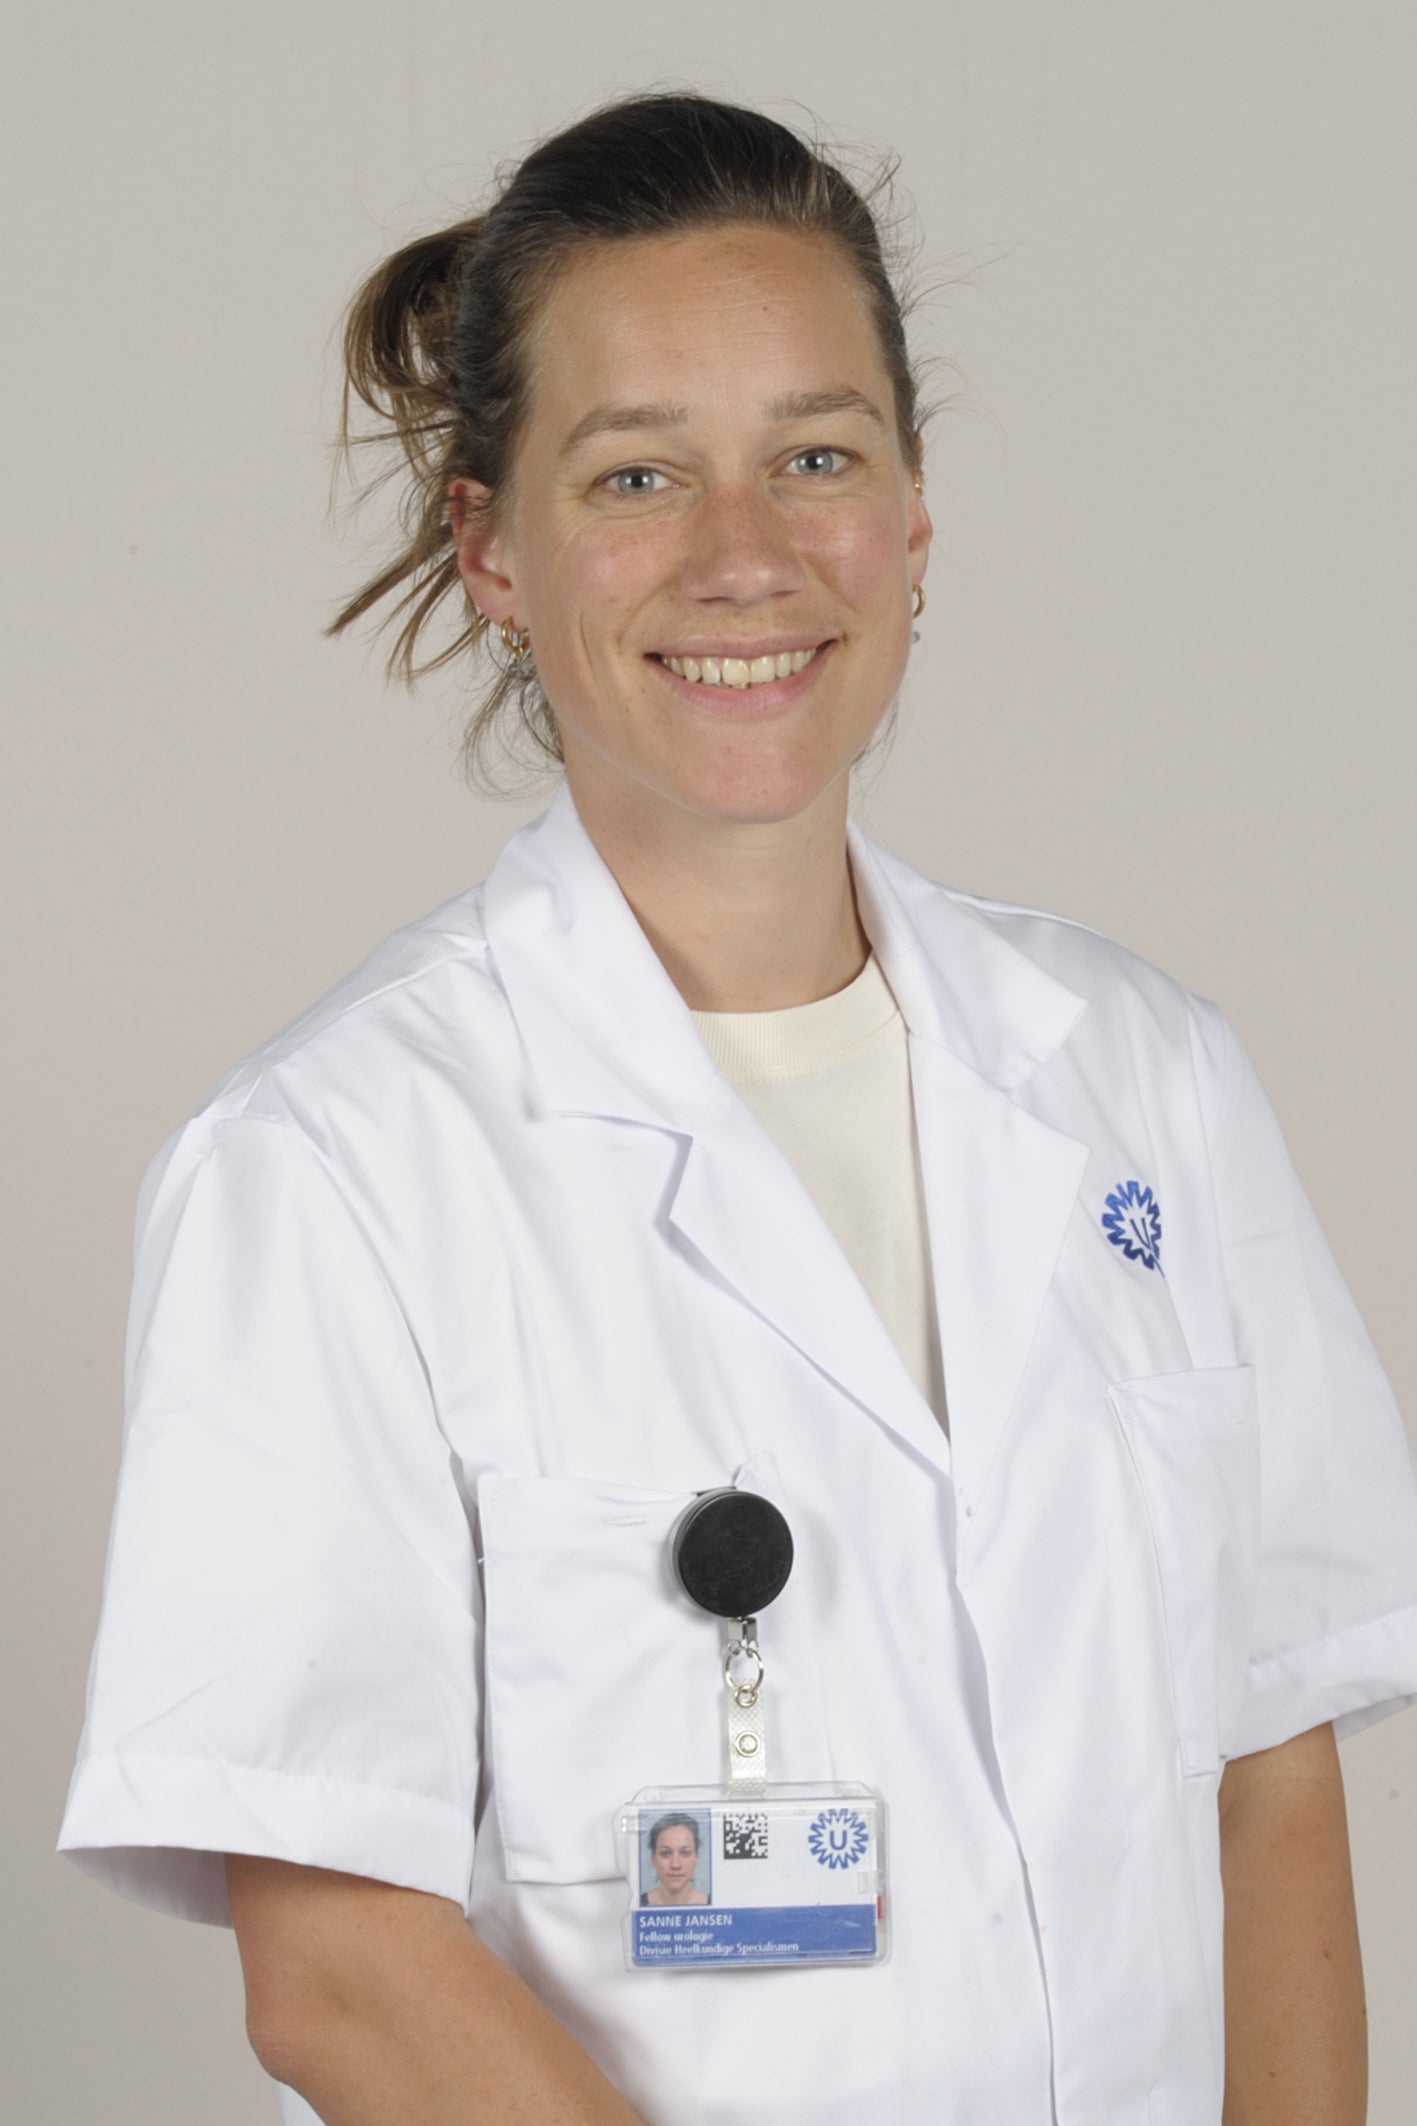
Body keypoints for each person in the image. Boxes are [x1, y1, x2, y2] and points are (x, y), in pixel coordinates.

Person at [57, 88, 1417, 2126]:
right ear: (492, 549)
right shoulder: (333, 1167)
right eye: (636, 474)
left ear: (912, 515)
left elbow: (1266, 1771)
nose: (747, 555)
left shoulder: (1143, 1078)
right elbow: (339, 1968)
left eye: (815, 455)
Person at [641, 1815, 708, 1907]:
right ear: (653, 1857)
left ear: (696, 1856)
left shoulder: (716, 1904)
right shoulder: (637, 1905)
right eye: (665, 1853)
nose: (675, 1865)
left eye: (685, 1853)